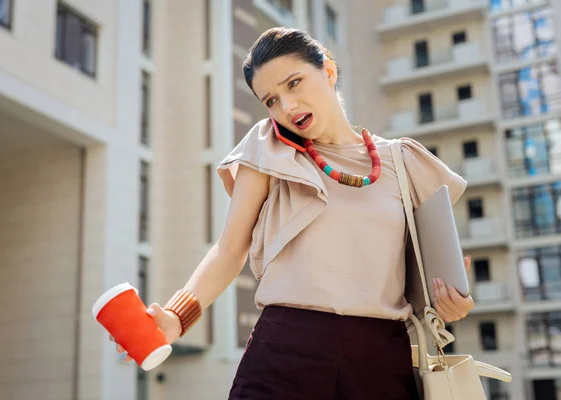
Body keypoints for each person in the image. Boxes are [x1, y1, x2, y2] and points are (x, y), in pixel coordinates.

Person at [111, 27, 475, 399]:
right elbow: (229, 249)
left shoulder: (404, 160)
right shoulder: (268, 151)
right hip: (285, 349)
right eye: (270, 100)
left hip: (380, 358)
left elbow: (437, 270)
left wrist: (454, 302)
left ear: (328, 71)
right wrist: (175, 317)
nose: (286, 107)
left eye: (294, 83)